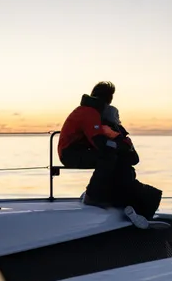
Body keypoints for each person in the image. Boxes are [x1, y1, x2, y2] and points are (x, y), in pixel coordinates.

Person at [58, 82, 162, 225]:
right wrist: (118, 145)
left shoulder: (95, 114)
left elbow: (132, 158)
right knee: (108, 156)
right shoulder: (89, 113)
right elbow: (99, 142)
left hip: (82, 150)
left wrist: (119, 145)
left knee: (116, 158)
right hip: (70, 153)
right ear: (108, 99)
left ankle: (114, 196)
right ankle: (93, 195)